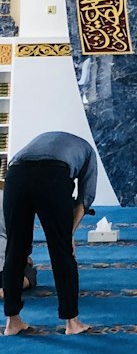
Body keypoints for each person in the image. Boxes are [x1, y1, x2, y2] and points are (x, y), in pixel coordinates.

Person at [2, 130, 97, 335]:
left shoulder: (42, 140)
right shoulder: (88, 151)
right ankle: (72, 323)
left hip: (15, 176)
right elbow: (84, 200)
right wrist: (67, 234)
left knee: (15, 250)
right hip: (52, 177)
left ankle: (12, 322)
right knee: (61, 252)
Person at [0, 188, 36, 300]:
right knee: (29, 273)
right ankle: (8, 287)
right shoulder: (8, 195)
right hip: (5, 268)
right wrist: (24, 256)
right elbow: (21, 234)